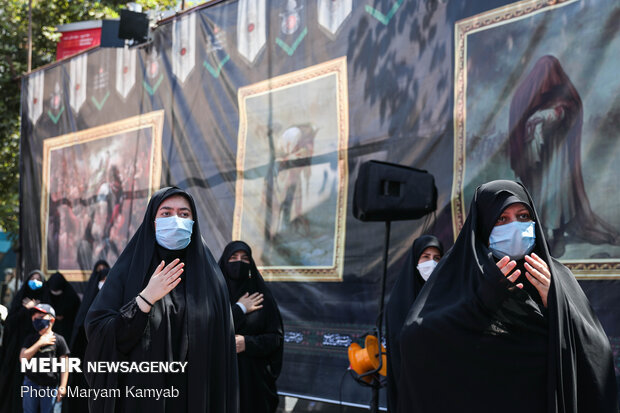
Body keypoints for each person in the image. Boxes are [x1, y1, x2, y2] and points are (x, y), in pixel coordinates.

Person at [397, 180, 618, 412]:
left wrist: (556, 303)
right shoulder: (462, 275)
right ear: (483, 224)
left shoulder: (557, 277)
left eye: (523, 216)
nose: (515, 226)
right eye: (501, 219)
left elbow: (597, 353)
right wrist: (485, 300)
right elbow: (417, 338)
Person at [84, 187, 238, 413]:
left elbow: (221, 352)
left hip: (195, 398)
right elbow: (99, 331)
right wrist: (145, 299)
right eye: (166, 213)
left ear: (194, 222)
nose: (176, 220)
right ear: (152, 220)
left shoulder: (212, 280)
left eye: (184, 214)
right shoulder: (128, 272)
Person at [509, 55, 620, 256]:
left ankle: (558, 236)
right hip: (537, 161)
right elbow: (520, 118)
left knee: (558, 198)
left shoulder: (565, 95)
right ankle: (541, 236)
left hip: (558, 156)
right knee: (536, 197)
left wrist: (554, 114)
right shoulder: (530, 95)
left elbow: (571, 110)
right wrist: (532, 126)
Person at [218, 241, 283, 413]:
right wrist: (239, 309)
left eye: (244, 258)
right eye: (233, 257)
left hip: (254, 383)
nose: (239, 262)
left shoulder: (261, 297)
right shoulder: (213, 296)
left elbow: (275, 339)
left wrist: (247, 343)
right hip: (218, 380)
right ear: (224, 262)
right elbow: (206, 329)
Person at [384, 235, 443, 413]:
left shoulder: (445, 293)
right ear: (415, 259)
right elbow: (396, 343)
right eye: (425, 257)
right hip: (408, 378)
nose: (431, 263)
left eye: (437, 258)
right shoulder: (399, 300)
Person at [0, 270, 52, 413]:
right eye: (32, 278)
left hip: (40, 352)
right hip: (18, 350)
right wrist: (26, 309)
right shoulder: (20, 300)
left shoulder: (46, 302)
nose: (35, 282)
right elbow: (10, 323)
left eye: (38, 279)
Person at [67, 260, 109, 413]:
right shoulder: (88, 301)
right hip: (87, 354)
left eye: (107, 280)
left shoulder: (116, 300)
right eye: (101, 279)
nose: (103, 283)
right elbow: (79, 327)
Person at [20, 303, 70, 413]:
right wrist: (40, 343)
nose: (36, 319)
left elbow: (65, 365)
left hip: (50, 386)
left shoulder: (59, 340)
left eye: (41, 316)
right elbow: (23, 357)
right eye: (34, 317)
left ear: (51, 320)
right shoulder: (31, 339)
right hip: (31, 383)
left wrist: (63, 386)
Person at [47, 272, 80, 341]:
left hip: (66, 326)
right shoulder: (46, 292)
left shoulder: (70, 294)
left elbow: (75, 309)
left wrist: (65, 315)